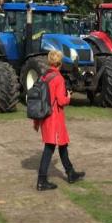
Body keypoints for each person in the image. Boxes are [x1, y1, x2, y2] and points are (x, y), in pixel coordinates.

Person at [34, 50, 85, 190]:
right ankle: (41, 180)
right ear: (59, 63)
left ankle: (70, 173)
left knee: (63, 145)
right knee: (49, 148)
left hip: (45, 116)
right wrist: (68, 96)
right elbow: (61, 101)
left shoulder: (44, 76)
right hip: (54, 118)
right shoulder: (58, 78)